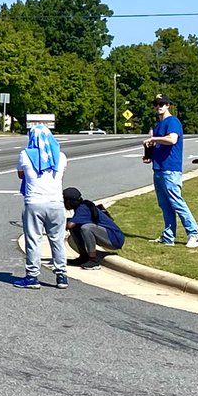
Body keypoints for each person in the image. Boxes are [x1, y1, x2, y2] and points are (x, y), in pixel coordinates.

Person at [12, 124, 69, 289]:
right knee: (57, 240)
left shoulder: (25, 155)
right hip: (56, 203)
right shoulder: (61, 156)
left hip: (34, 202)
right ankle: (61, 275)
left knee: (33, 240)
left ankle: (32, 276)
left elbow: (21, 174)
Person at [143, 93, 198, 248]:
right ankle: (168, 237)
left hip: (171, 170)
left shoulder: (173, 122)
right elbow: (160, 145)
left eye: (162, 104)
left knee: (176, 202)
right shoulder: (157, 126)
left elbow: (172, 139)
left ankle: (194, 234)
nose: (159, 107)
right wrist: (149, 153)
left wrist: (153, 139)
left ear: (168, 105)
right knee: (165, 205)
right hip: (159, 168)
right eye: (156, 104)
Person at [63, 187, 125, 269]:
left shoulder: (83, 208)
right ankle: (83, 257)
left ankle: (93, 261)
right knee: (76, 227)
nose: (63, 203)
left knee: (86, 228)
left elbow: (69, 225)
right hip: (107, 236)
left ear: (69, 202)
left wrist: (49, 224)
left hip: (114, 239)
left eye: (64, 200)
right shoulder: (81, 206)